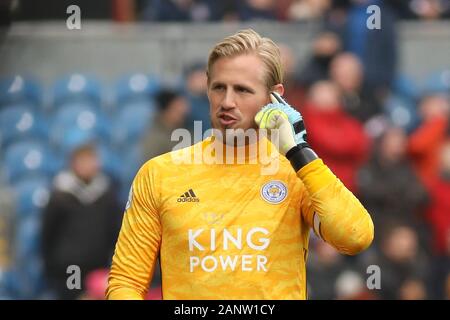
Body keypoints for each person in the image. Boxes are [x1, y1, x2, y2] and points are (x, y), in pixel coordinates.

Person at [107, 29, 374, 300]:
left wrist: (298, 150)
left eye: (243, 90)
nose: (227, 102)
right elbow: (126, 282)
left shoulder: (296, 173)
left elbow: (355, 236)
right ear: (207, 86)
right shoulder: (160, 174)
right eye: (219, 87)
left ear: (275, 97)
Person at [42, 143, 122, 300]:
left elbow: (115, 229)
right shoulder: (60, 195)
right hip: (70, 267)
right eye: (84, 161)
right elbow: (48, 233)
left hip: (99, 264)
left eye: (92, 160)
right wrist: (52, 266)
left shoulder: (106, 193)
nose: (90, 165)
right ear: (74, 164)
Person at [141, 88, 190, 161]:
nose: (184, 112)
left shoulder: (187, 129)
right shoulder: (155, 138)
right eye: (177, 109)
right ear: (166, 111)